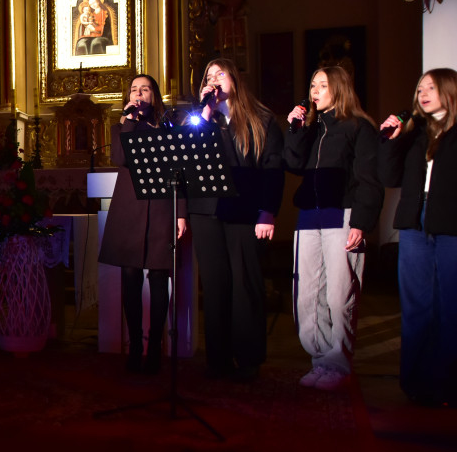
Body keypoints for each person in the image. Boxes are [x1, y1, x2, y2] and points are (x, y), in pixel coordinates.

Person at [284, 66, 382, 391]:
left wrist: (361, 223)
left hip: (343, 214)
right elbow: (293, 163)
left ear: (339, 88)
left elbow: (369, 178)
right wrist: (296, 130)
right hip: (309, 216)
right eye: (313, 85)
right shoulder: (311, 127)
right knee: (307, 295)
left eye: (323, 85)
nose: (315, 91)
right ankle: (320, 359)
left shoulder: (359, 127)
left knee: (339, 295)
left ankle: (338, 363)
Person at [188, 58, 284, 381]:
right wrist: (205, 114)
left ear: (235, 78)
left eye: (220, 73)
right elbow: (188, 164)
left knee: (245, 284)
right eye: (208, 76)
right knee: (215, 286)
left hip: (244, 210)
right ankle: (218, 359)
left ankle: (249, 358)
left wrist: (268, 210)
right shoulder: (201, 119)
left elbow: (273, 169)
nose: (213, 80)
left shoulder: (261, 119)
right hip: (207, 211)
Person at [379, 68, 457, 407]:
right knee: (416, 306)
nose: (422, 93)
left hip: (450, 224)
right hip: (413, 223)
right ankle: (416, 383)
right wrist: (393, 140)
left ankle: (449, 385)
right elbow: (389, 176)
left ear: (450, 91)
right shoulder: (414, 133)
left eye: (431, 88)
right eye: (420, 88)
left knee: (450, 306)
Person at [98, 74, 186, 374]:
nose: (139, 94)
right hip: (129, 209)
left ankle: (155, 348)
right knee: (130, 276)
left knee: (160, 276)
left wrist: (181, 212)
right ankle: (135, 345)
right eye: (134, 90)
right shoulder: (121, 127)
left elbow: (180, 171)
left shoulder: (170, 127)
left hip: (162, 209)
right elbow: (120, 158)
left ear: (154, 95)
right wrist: (129, 121)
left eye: (145, 89)